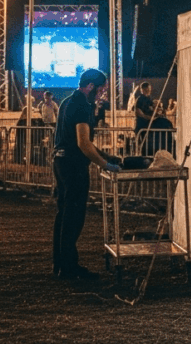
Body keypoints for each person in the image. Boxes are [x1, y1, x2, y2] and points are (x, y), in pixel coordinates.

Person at [52, 69, 121, 280]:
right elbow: (83, 142)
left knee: (63, 216)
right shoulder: (82, 105)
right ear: (90, 86)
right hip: (73, 166)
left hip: (61, 162)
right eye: (101, 89)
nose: (102, 94)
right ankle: (70, 269)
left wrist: (106, 156)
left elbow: (75, 140)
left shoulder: (66, 102)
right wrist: (105, 164)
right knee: (73, 218)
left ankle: (61, 265)